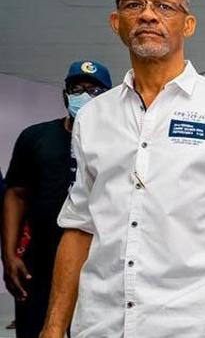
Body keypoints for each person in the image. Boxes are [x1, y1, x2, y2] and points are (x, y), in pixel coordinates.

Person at [38, 0, 205, 338]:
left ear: (188, 24)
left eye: (164, 6)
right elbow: (79, 226)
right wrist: (53, 325)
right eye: (134, 4)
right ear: (116, 22)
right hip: (100, 324)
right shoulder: (94, 117)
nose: (148, 14)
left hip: (196, 325)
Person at [2, 60, 111, 338]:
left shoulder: (118, 144)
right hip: (40, 262)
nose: (84, 95)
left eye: (94, 91)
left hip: (98, 263)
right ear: (65, 94)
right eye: (77, 88)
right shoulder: (36, 137)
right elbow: (16, 194)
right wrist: (9, 254)